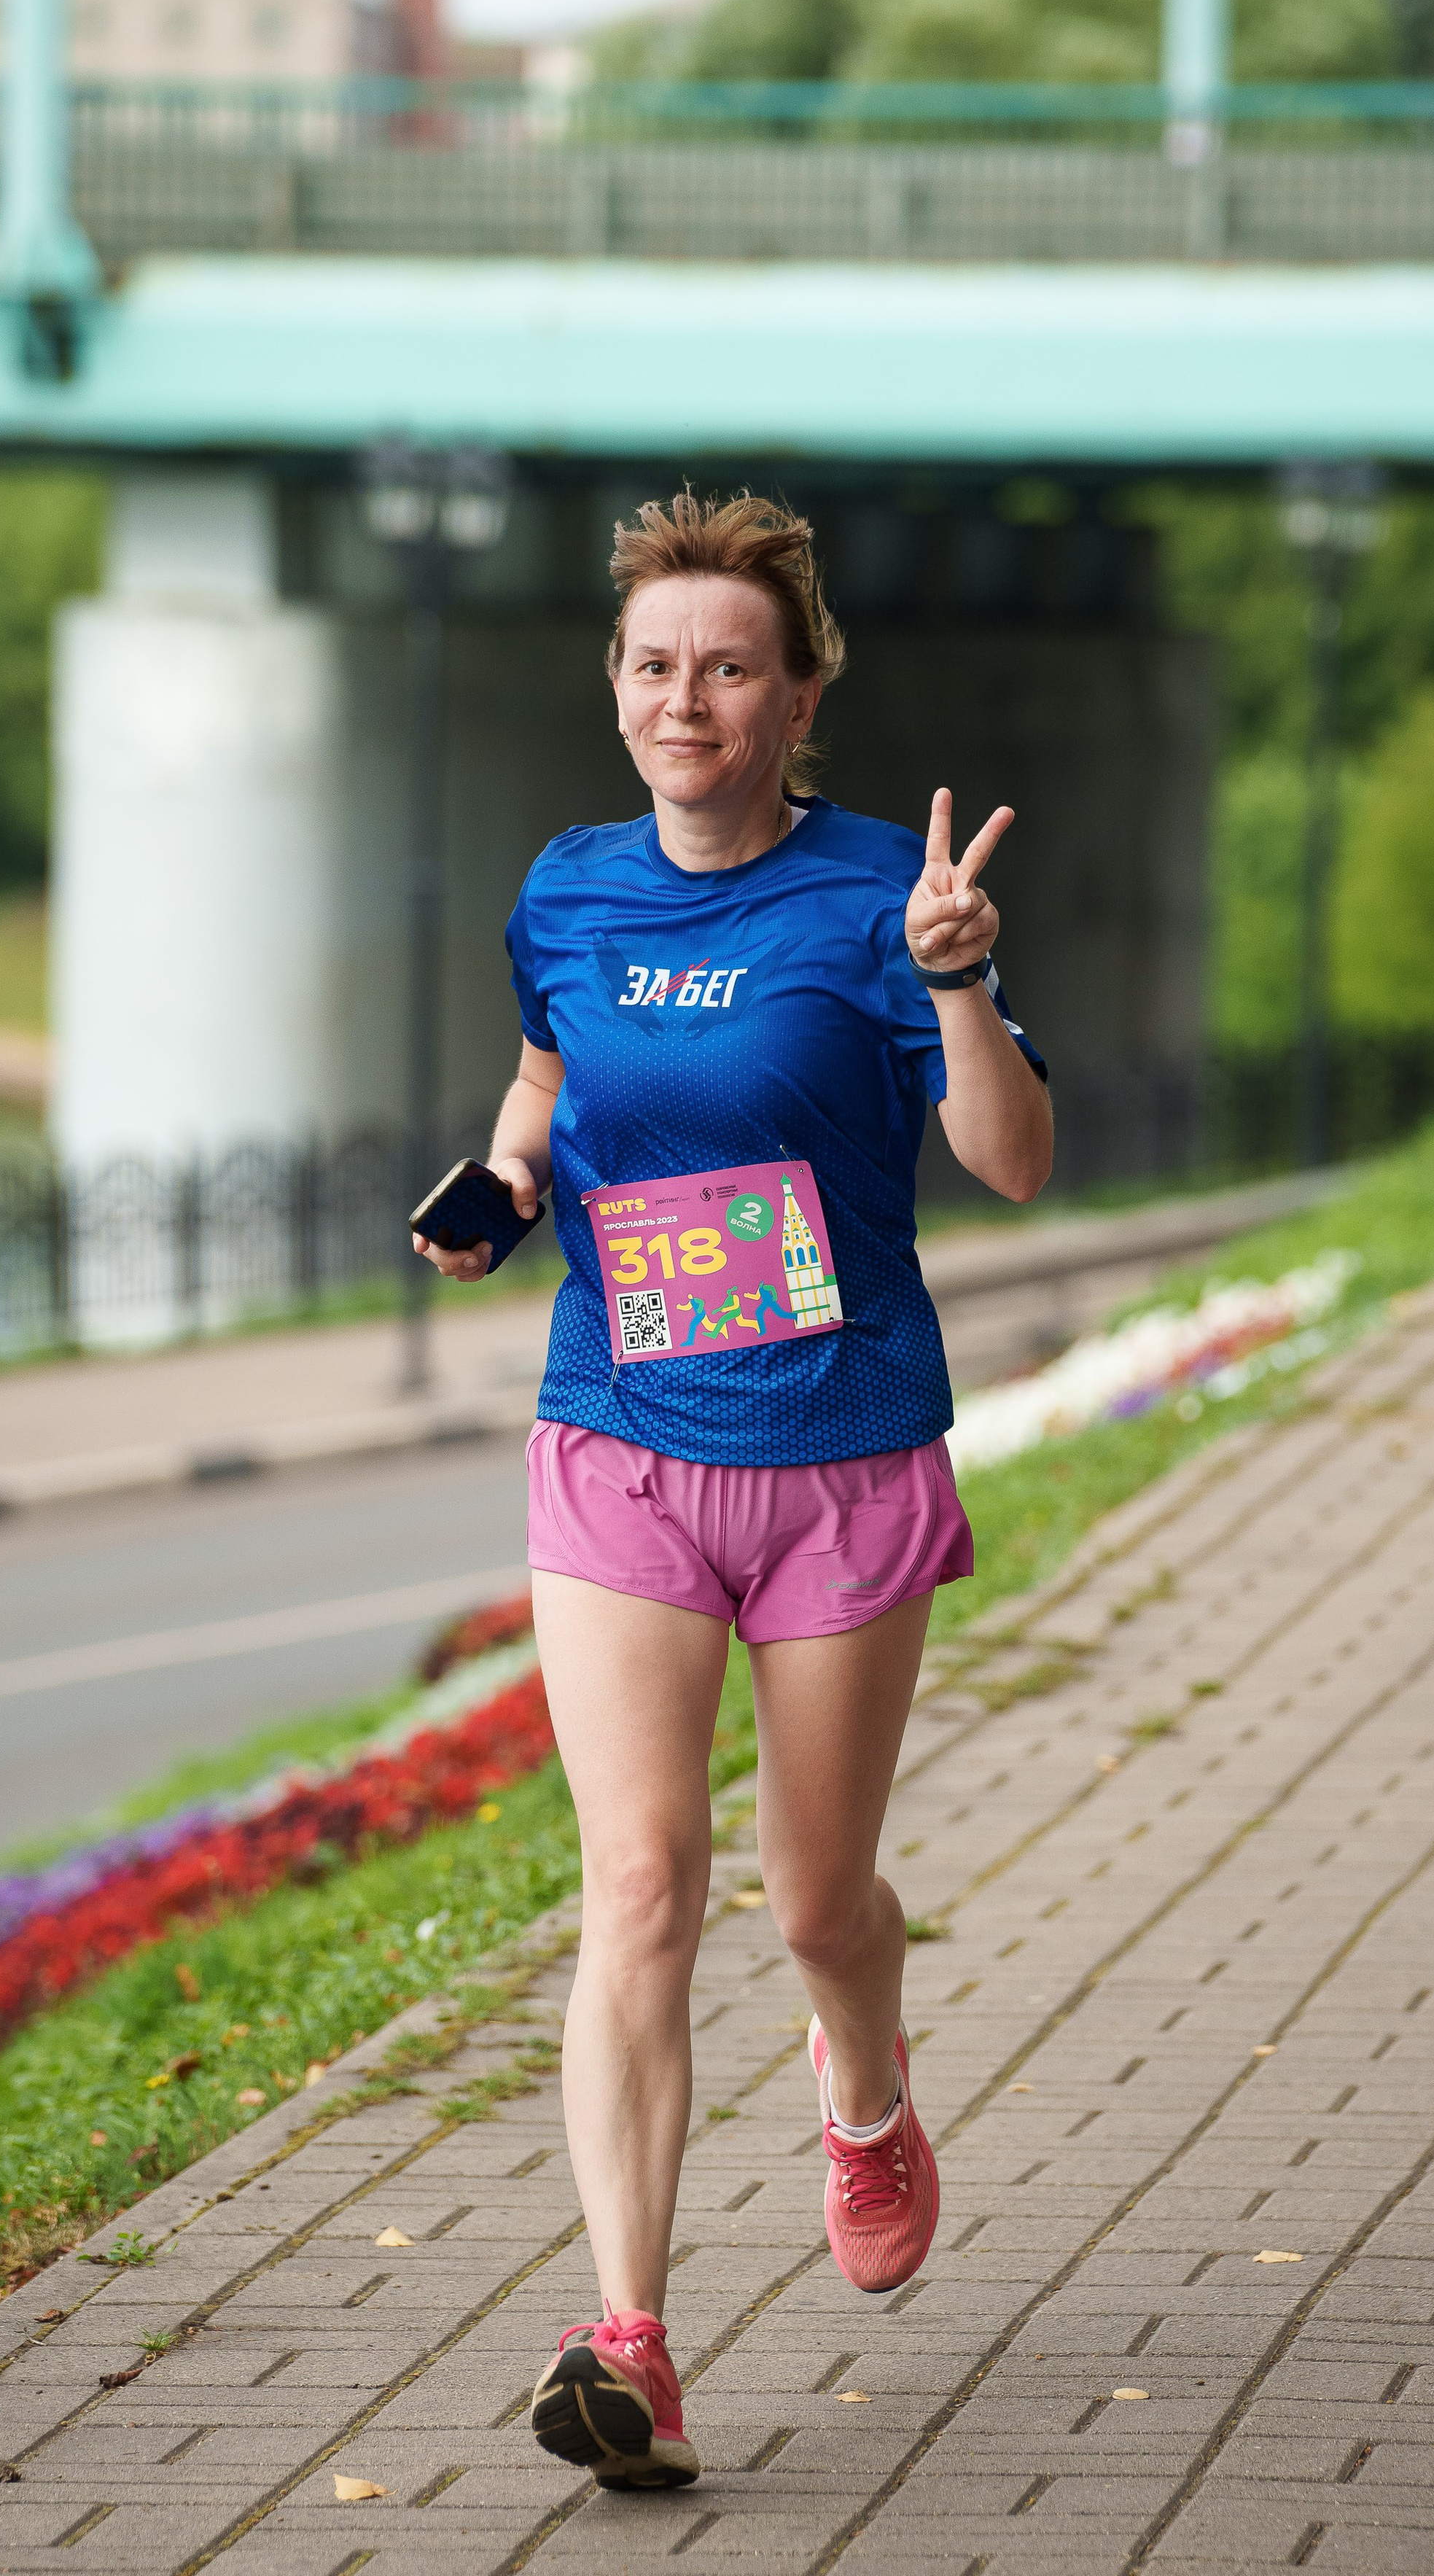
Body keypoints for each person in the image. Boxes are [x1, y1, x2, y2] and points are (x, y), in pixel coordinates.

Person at [414, 491, 1052, 2491]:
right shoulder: (569, 891)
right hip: (619, 1440)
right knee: (640, 1888)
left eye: (727, 667)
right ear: (618, 692)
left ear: (796, 701)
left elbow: (1016, 1160)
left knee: (814, 1898)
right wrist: (507, 1183)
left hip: (844, 1455)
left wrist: (953, 979)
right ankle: (633, 2342)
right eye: (653, 664)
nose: (684, 694)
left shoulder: (884, 895)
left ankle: (865, 2095)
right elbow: (545, 1076)